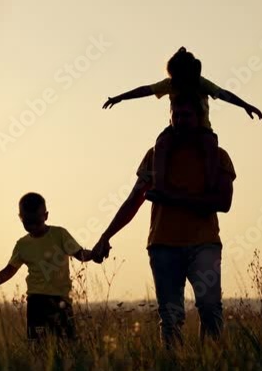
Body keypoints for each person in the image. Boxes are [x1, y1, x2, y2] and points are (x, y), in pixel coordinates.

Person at [93, 94, 236, 348]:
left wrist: (172, 197)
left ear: (199, 118)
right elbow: (133, 200)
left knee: (210, 308)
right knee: (170, 316)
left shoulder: (218, 156)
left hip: (204, 244)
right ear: (169, 116)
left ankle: (213, 369)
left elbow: (223, 203)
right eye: (176, 114)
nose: (180, 120)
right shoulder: (155, 155)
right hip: (163, 245)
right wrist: (106, 235)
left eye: (187, 115)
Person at [101, 47, 261, 193]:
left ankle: (210, 187)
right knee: (161, 144)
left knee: (210, 146)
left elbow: (224, 94)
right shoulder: (170, 84)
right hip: (176, 128)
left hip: (201, 128)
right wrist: (120, 98)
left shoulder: (201, 83)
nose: (178, 82)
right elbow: (145, 90)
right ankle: (159, 186)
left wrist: (244, 105)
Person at [0, 193, 100, 341]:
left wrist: (96, 254)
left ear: (45, 216)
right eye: (28, 222)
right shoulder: (22, 245)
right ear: (20, 218)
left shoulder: (60, 234)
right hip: (36, 303)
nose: (33, 227)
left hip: (61, 302)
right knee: (38, 347)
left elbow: (81, 254)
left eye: (36, 222)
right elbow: (8, 271)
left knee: (66, 344)